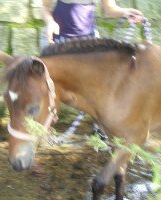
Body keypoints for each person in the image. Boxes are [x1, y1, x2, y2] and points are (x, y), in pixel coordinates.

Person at [40, 0, 143, 139]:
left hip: (89, 44)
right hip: (59, 42)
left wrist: (125, 13)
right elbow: (45, 7)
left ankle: (101, 129)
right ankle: (41, 127)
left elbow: (110, 8)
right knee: (49, 88)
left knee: (98, 89)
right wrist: (50, 22)